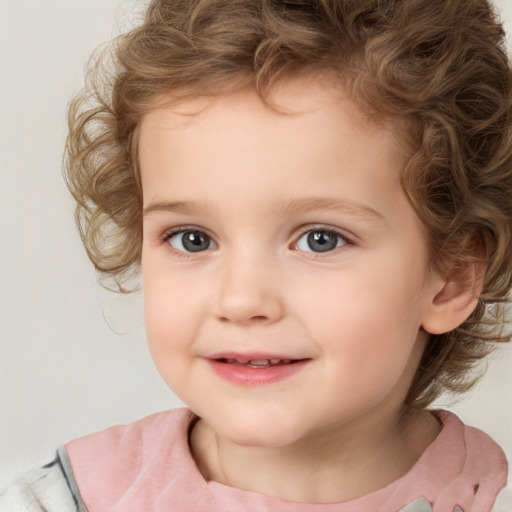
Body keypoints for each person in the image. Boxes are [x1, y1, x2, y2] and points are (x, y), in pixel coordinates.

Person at [2, 0, 512, 510]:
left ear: (451, 277)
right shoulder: (66, 500)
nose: (242, 299)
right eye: (192, 238)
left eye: (320, 239)